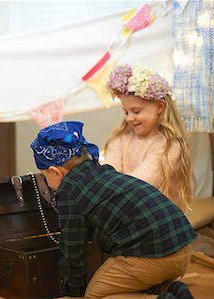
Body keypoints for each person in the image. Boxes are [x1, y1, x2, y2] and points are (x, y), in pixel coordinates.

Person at [30, 121, 197, 299]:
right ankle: (172, 290)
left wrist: (75, 292)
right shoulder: (103, 173)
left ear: (56, 172)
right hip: (183, 247)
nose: (47, 183)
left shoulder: (70, 193)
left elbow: (73, 249)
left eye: (45, 175)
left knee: (96, 295)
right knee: (136, 277)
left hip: (153, 256)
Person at [102, 64, 194, 213]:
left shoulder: (169, 146)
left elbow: (140, 184)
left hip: (160, 215)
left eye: (136, 111)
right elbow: (107, 176)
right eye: (126, 112)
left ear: (160, 106)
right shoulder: (120, 139)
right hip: (127, 208)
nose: (129, 118)